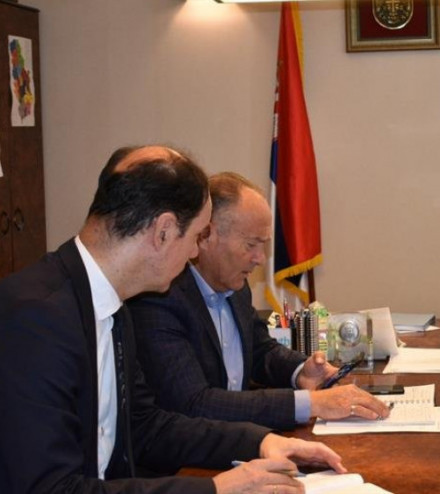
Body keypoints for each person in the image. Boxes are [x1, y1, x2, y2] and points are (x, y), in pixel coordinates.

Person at [0, 146, 344, 493]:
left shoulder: (113, 304)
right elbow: (50, 488)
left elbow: (145, 427)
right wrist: (215, 489)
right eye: (195, 237)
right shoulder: (35, 317)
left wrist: (260, 442)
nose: (195, 252)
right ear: (163, 230)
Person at [128, 172, 389, 430]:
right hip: (191, 452)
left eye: (263, 245)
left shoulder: (236, 287)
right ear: (205, 236)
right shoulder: (160, 298)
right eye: (251, 244)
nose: (261, 259)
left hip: (241, 440)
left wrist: (301, 371)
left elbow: (260, 350)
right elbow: (194, 404)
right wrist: (309, 404)